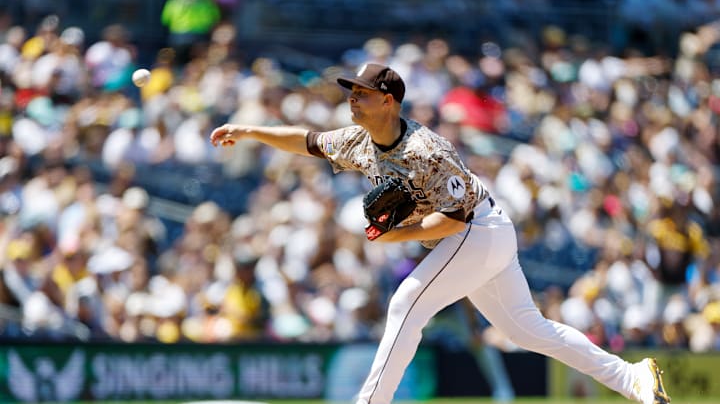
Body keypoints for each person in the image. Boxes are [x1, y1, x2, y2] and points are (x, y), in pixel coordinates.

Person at [210, 63, 670, 404]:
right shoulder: (356, 140)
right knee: (529, 330)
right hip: (478, 236)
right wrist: (249, 130)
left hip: (476, 231)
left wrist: (395, 236)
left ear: (388, 100)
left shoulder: (426, 149)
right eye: (350, 92)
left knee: (406, 304)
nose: (351, 99)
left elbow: (455, 218)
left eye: (361, 94)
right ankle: (633, 379)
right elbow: (306, 141)